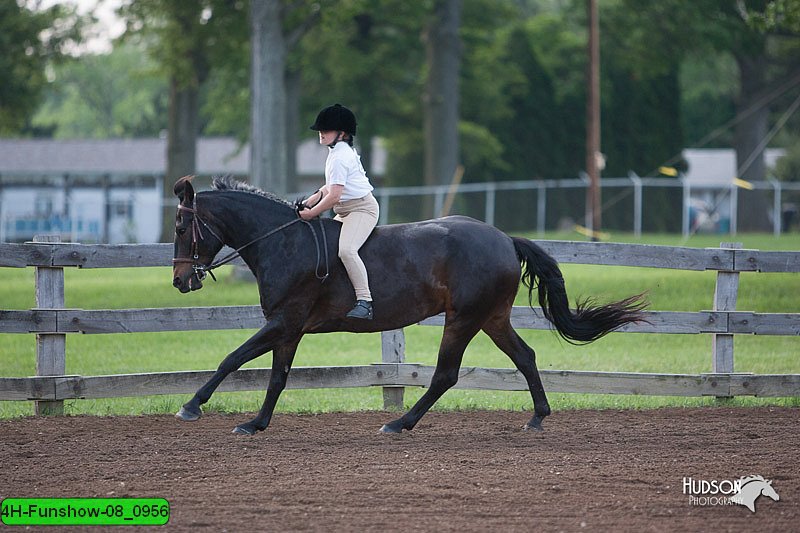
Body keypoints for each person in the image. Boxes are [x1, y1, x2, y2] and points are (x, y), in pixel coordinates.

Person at [300, 104, 379, 320]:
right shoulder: (337, 152)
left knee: (347, 251)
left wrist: (310, 213)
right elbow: (331, 187)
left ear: (341, 134)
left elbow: (334, 195)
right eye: (321, 130)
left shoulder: (340, 157)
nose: (321, 133)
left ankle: (365, 301)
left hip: (361, 209)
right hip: (345, 210)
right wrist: (312, 199)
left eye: (326, 130)